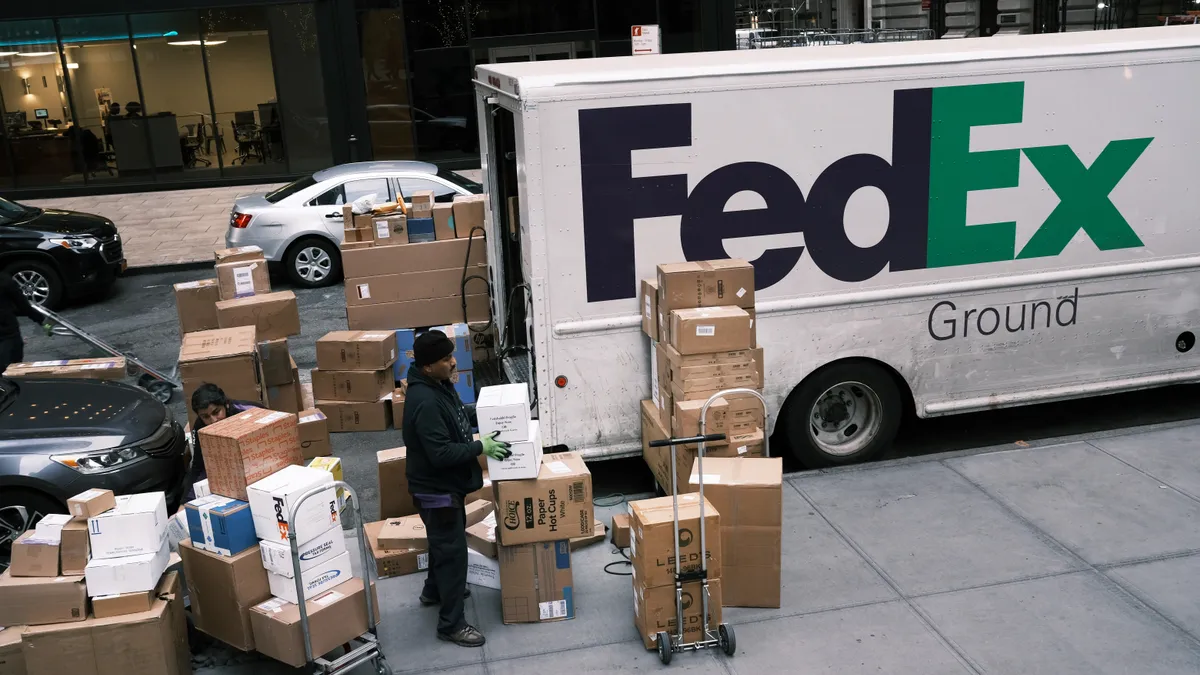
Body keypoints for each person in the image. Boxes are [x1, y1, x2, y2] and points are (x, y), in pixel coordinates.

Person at [403, 330, 511, 648]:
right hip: (435, 491)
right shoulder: (424, 401)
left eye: (451, 356)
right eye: (446, 359)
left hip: (446, 487)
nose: (453, 362)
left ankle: (433, 591)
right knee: (453, 555)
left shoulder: (437, 384)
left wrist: (485, 415)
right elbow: (441, 454)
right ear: (426, 367)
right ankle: (451, 624)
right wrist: (481, 447)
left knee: (444, 542)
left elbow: (457, 415)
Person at [186, 383, 260, 500]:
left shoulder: (247, 412)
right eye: (205, 417)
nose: (213, 421)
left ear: (226, 404)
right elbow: (198, 465)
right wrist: (184, 503)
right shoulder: (200, 427)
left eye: (216, 412)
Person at [0, 272, 52, 375]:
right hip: (7, 333)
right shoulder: (4, 280)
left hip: (6, 331)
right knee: (11, 369)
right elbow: (23, 305)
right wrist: (42, 321)